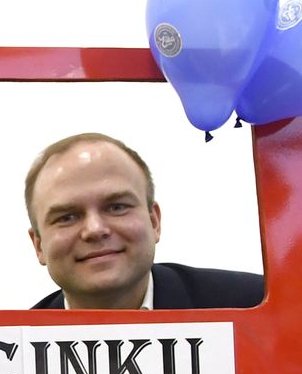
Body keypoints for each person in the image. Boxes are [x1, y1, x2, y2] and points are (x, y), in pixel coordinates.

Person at [25, 132, 266, 311]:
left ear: (154, 222)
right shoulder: (14, 354)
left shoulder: (254, 305)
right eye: (67, 217)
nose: (95, 229)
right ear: (38, 246)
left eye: (117, 207)